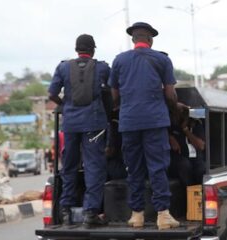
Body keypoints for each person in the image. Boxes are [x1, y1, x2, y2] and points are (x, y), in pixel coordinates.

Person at [108, 22, 179, 230]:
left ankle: (137, 215)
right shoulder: (161, 59)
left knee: (134, 168)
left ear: (133, 40)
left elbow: (114, 93)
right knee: (157, 166)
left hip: (129, 122)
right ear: (150, 40)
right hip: (155, 121)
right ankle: (163, 215)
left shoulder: (119, 60)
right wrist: (175, 106)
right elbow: (169, 93)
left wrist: (126, 106)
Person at [48, 34, 110, 228]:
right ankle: (91, 213)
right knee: (94, 167)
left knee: (69, 166)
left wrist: (65, 105)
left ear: (76, 49)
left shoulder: (63, 67)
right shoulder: (102, 67)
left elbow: (51, 93)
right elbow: (113, 89)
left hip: (70, 125)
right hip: (94, 124)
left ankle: (66, 211)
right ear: (93, 50)